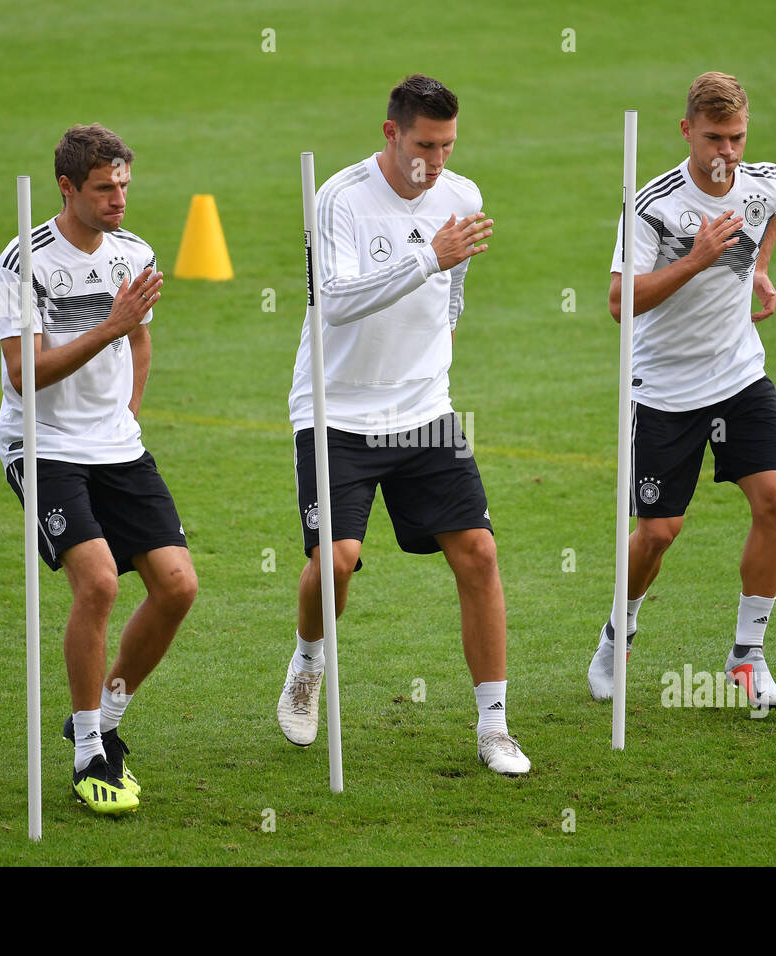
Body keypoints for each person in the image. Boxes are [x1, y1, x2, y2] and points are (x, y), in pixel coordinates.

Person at [280, 75, 530, 775]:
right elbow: (333, 302)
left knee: (478, 553)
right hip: (337, 411)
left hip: (423, 410)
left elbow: (453, 294)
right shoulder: (340, 198)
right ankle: (307, 665)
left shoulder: (462, 195)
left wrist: (437, 348)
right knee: (335, 561)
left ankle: (494, 726)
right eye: (425, 145)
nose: (437, 162)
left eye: (448, 146)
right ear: (391, 134)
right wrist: (429, 257)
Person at [0, 124, 197, 814]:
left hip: (116, 443)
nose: (119, 200)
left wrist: (129, 413)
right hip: (43, 444)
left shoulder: (133, 251)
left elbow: (139, 341)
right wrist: (106, 327)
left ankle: (107, 721)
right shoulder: (25, 263)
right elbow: (25, 376)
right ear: (67, 188)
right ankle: (86, 755)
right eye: (105, 188)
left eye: (125, 187)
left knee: (177, 587)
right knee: (100, 584)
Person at [588, 73, 776, 710]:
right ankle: (618, 631)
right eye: (712, 138)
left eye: (735, 137)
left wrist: (757, 269)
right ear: (686, 131)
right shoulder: (654, 206)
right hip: (664, 390)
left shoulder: (764, 183)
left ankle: (747, 656)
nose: (724, 153)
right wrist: (698, 259)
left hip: (738, 375)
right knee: (657, 533)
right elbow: (622, 303)